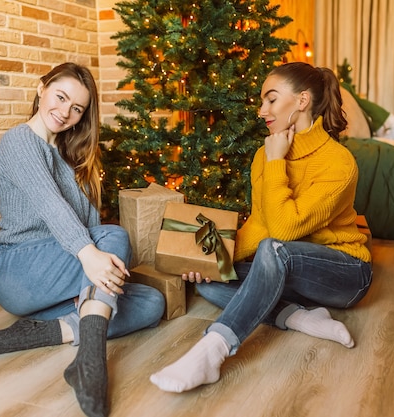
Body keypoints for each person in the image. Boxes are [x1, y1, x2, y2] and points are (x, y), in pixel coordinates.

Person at [150, 61, 373, 393]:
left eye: (270, 99)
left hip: (343, 272)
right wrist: (216, 263)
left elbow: (281, 232)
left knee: (275, 250)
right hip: (291, 266)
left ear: (302, 101)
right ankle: (298, 316)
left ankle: (213, 349)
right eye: (262, 101)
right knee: (212, 285)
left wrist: (276, 161)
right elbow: (260, 224)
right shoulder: (263, 155)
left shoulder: (338, 162)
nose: (261, 110)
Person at [0, 62, 165, 417]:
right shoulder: (18, 141)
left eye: (77, 109)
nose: (65, 112)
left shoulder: (64, 158)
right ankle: (91, 362)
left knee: (151, 302)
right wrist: (89, 255)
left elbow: (85, 222)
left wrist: (84, 175)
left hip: (54, 276)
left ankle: (42, 333)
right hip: (17, 270)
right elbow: (52, 207)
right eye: (60, 97)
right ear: (41, 88)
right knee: (114, 236)